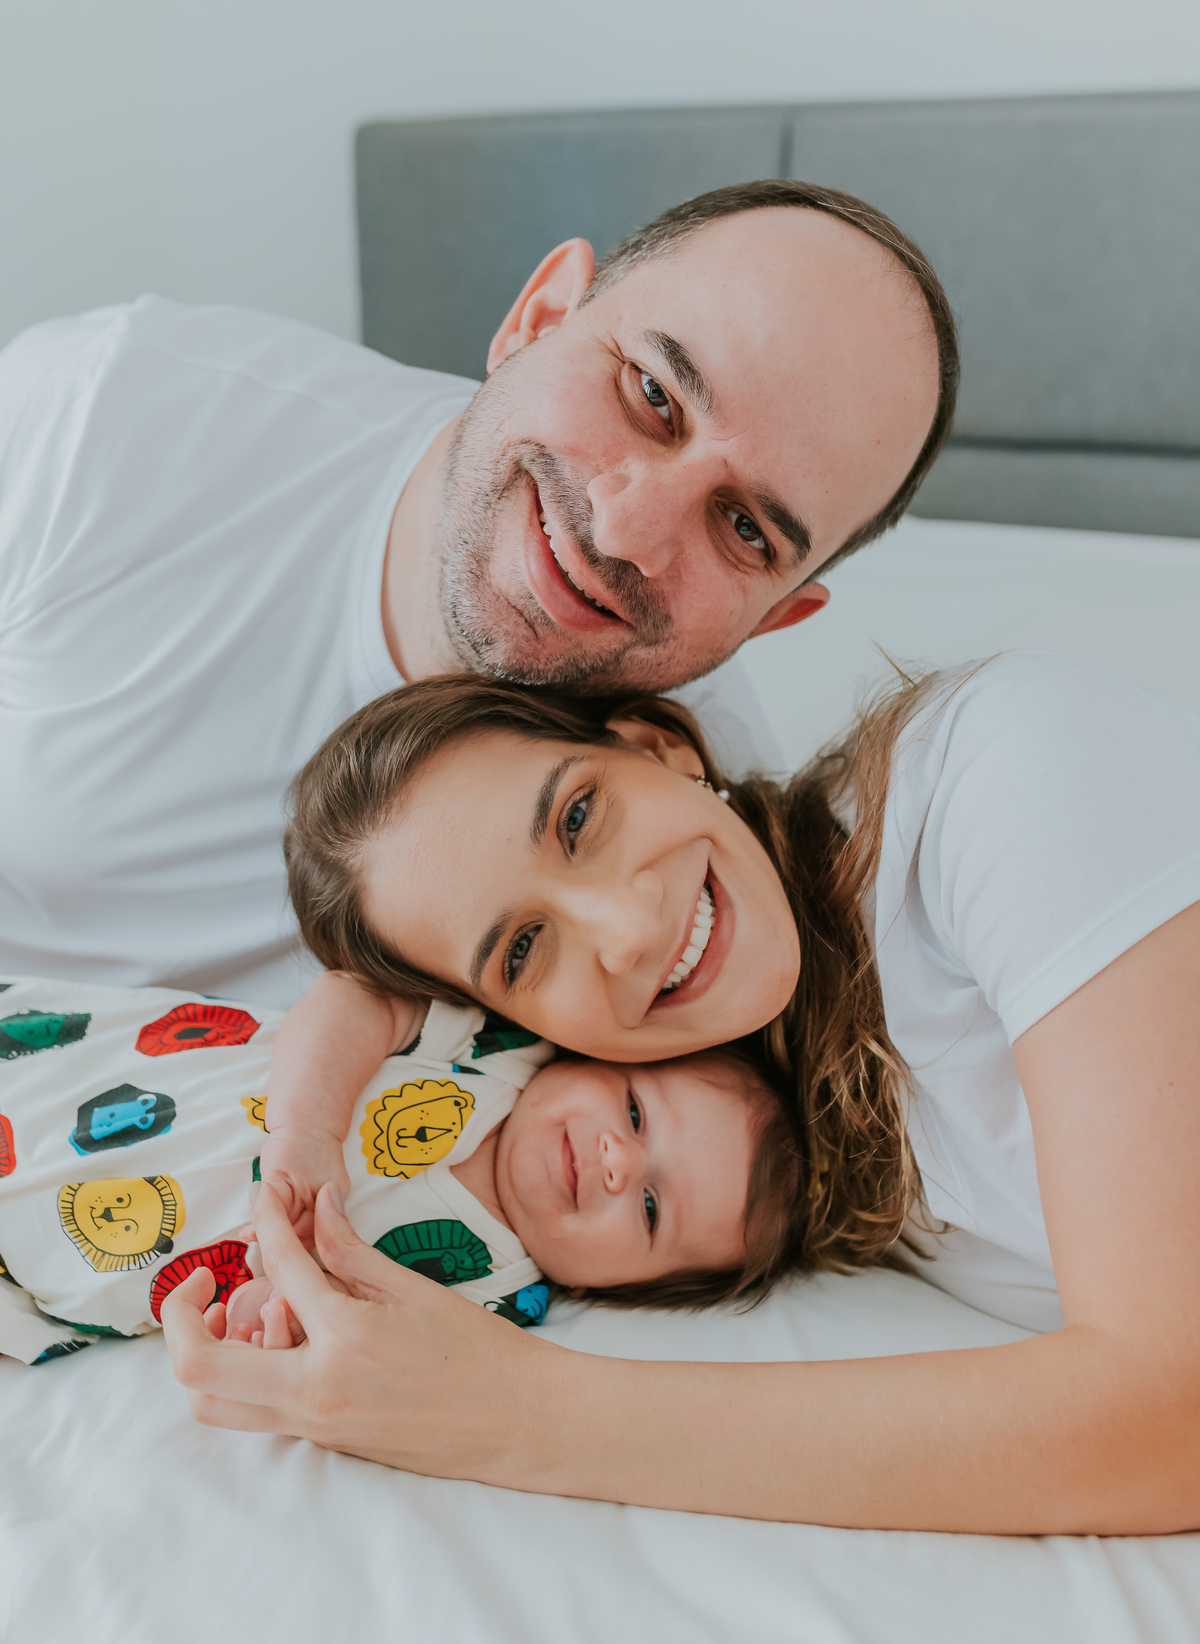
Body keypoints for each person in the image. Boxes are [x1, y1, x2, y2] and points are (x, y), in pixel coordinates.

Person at [164, 650, 1200, 1536]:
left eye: (579, 817)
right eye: (524, 948)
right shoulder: (760, 1130)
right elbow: (359, 1003)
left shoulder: (999, 778)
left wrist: (513, 1412)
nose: (628, 928)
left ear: (660, 746)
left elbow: (1174, 1405)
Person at [0, 180, 955, 1010]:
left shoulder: (693, 859)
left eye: (746, 530)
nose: (627, 531)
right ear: (538, 317)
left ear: (775, 618)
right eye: (653, 395)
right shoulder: (99, 418)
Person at [0, 969, 800, 1365]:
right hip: (74, 1076)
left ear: (628, 1291)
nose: (619, 1160)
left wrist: (273, 1321)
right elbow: (354, 999)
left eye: (654, 1208)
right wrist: (307, 1129)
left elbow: (354, 1350)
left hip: (54, 1279)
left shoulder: (499, 1302)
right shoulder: (498, 1047)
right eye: (632, 1111)